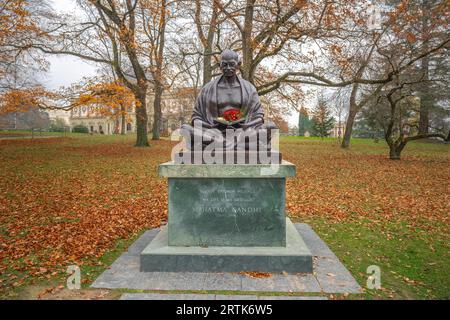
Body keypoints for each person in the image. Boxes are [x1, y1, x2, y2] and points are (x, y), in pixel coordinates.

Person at [181, 49, 277, 151]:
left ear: (238, 65)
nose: (228, 68)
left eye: (231, 64)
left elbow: (258, 116)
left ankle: (219, 145)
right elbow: (196, 117)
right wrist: (213, 125)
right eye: (224, 64)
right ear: (219, 65)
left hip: (243, 132)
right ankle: (238, 145)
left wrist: (243, 125)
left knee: (271, 127)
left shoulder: (249, 89)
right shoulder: (207, 89)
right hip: (214, 132)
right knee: (185, 129)